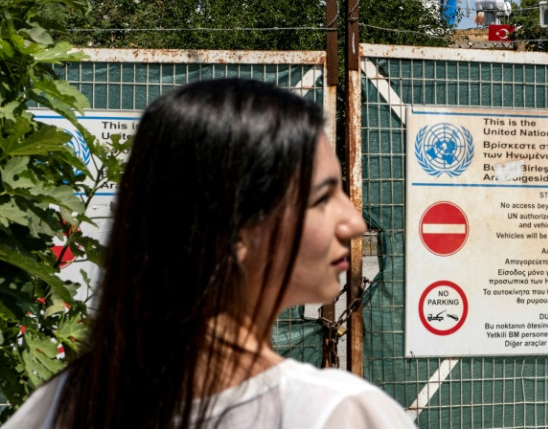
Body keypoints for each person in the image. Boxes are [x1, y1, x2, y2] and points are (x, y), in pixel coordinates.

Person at [4, 79, 416, 428]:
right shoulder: (335, 413)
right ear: (232, 228)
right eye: (323, 197)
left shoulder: (61, 405)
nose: (355, 223)